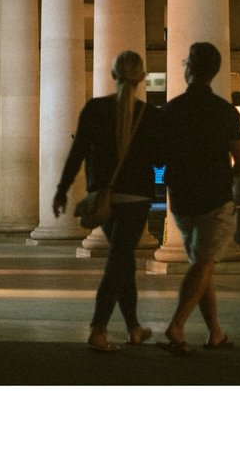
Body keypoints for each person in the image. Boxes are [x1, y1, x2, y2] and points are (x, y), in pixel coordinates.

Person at [52, 50, 163, 353]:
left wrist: (62, 189)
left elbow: (77, 154)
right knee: (119, 262)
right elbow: (160, 161)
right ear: (142, 79)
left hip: (105, 198)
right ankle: (98, 329)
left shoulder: (94, 110)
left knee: (122, 261)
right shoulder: (150, 116)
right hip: (137, 199)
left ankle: (134, 328)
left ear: (113, 76)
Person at [160, 41, 240, 355]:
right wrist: (231, 184)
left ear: (188, 69)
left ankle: (215, 333)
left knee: (202, 264)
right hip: (215, 196)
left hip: (181, 197)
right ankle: (177, 325)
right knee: (204, 263)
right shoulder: (225, 111)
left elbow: (159, 156)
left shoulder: (172, 109)